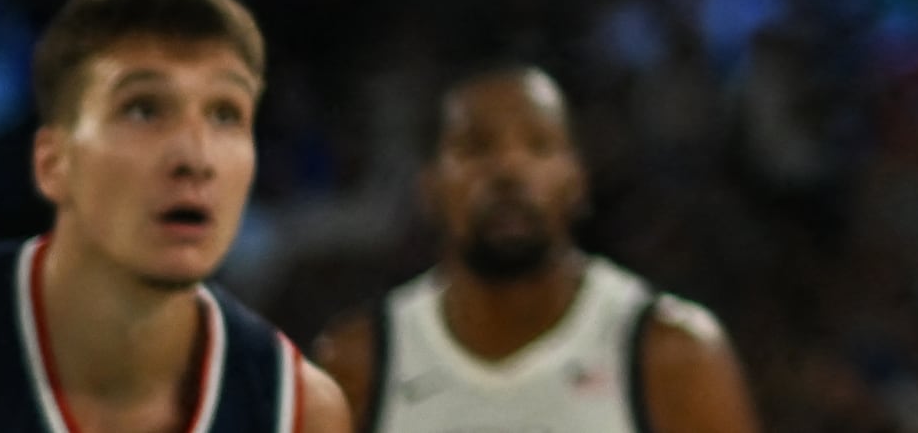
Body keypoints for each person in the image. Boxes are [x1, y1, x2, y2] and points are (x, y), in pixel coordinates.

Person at [0, 0, 354, 433]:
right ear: (53, 163)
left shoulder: (300, 410)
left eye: (225, 114)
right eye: (144, 109)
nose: (195, 157)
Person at [314, 70, 754, 433]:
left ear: (577, 180)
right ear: (429, 187)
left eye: (539, 145)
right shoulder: (356, 364)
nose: (508, 169)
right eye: (477, 146)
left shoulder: (674, 354)